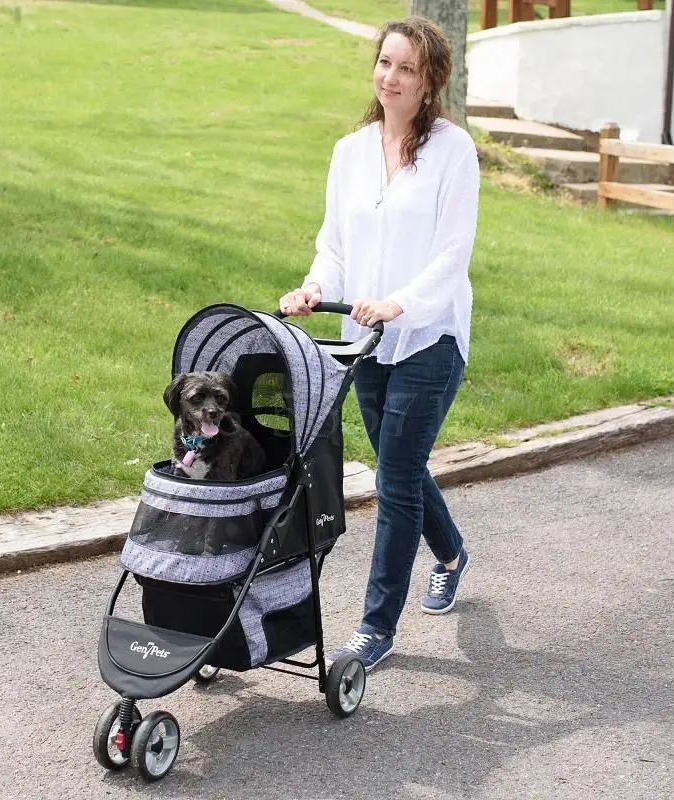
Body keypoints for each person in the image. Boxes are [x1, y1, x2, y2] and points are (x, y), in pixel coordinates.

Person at [279, 16, 480, 672]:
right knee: (405, 464)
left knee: (394, 476)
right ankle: (450, 552)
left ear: (430, 84)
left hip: (430, 334)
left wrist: (402, 302)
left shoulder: (454, 152)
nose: (390, 77)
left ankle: (375, 628)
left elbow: (452, 255)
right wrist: (314, 289)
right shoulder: (350, 152)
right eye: (385, 63)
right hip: (364, 339)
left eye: (407, 69)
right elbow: (334, 246)